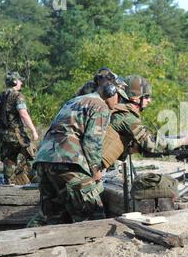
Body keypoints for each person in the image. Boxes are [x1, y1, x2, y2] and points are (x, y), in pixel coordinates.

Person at [31, 80, 124, 225]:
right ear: (111, 92)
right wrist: (95, 169)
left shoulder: (76, 100)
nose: (119, 102)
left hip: (44, 159)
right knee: (93, 215)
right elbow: (92, 141)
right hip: (68, 161)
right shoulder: (100, 106)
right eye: (120, 97)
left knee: (53, 217)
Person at [101, 75, 188, 169]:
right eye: (146, 97)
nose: (149, 101)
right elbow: (153, 144)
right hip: (90, 172)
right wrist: (184, 140)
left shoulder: (117, 111)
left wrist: (135, 149)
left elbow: (115, 144)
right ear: (135, 97)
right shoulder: (127, 117)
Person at [0, 72, 39, 185]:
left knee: (9, 160)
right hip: (17, 134)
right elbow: (23, 114)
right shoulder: (17, 96)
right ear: (14, 82)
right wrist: (33, 130)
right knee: (33, 156)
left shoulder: (0, 97)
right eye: (19, 81)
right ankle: (37, 182)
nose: (21, 83)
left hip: (4, 135)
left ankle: (8, 184)